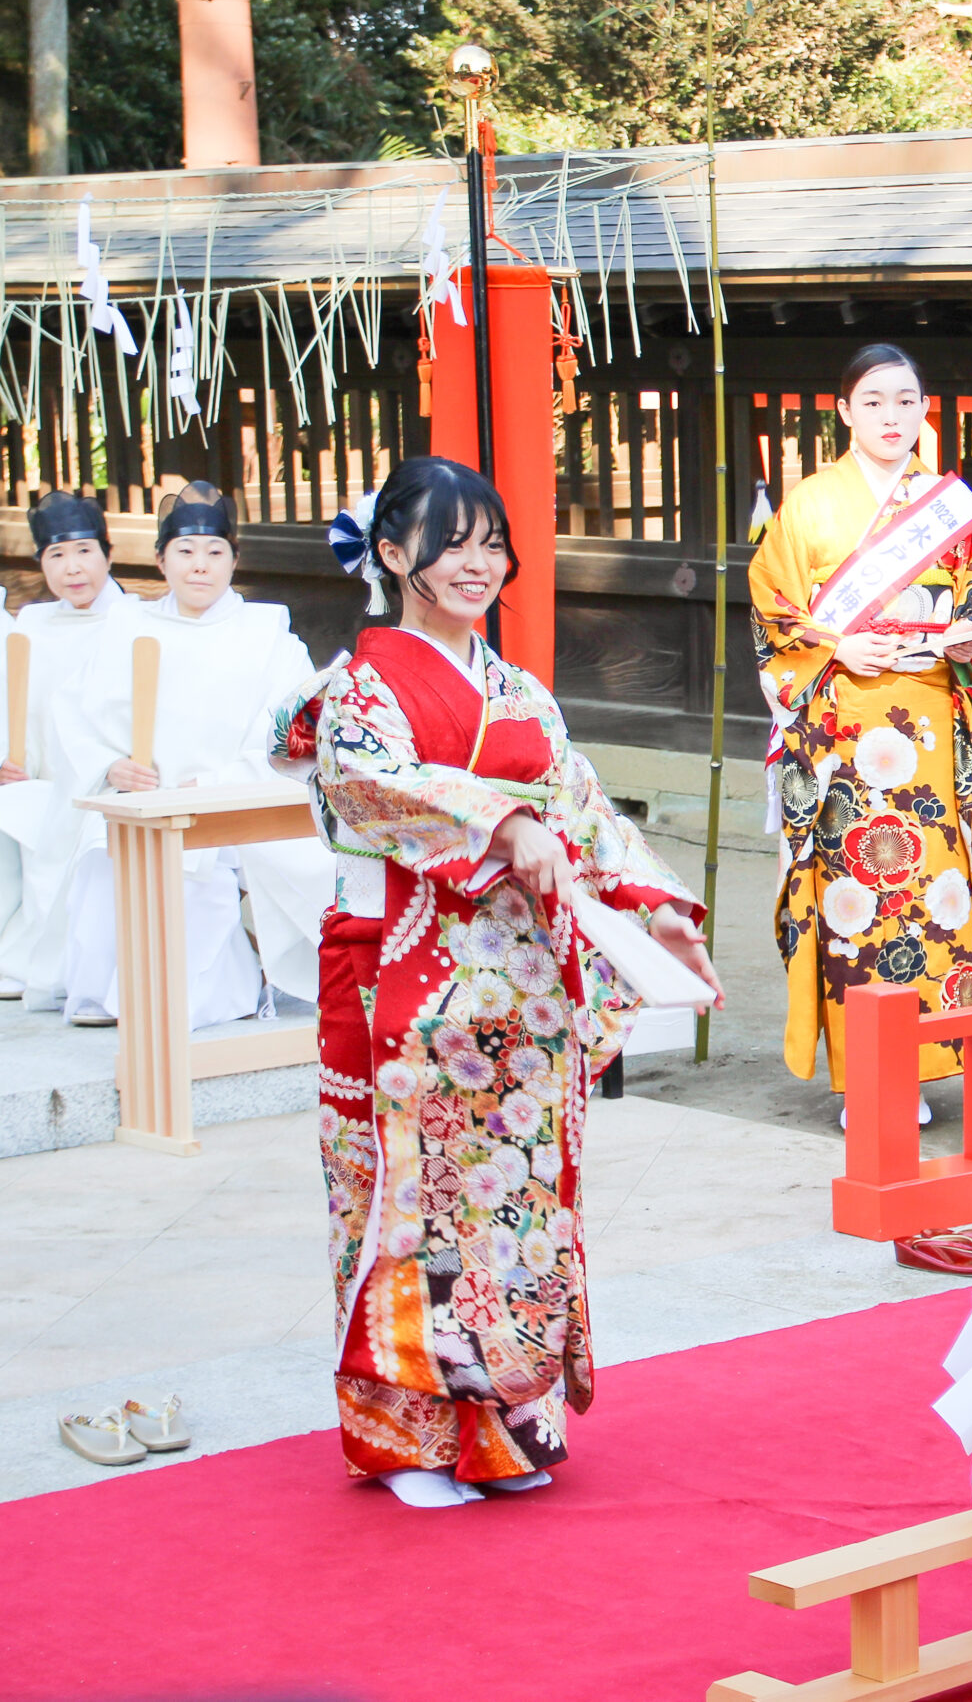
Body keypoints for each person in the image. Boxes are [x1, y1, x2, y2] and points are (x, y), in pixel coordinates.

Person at [274, 456, 718, 1508]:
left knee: (514, 1200)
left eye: (492, 544)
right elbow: (369, 785)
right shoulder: (359, 688)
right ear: (393, 555)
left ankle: (508, 1427)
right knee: (409, 1208)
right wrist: (503, 819)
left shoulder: (518, 690)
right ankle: (411, 1437)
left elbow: (584, 811)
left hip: (516, 992)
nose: (478, 564)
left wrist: (659, 915)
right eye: (452, 543)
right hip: (404, 979)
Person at [749, 343, 972, 1124]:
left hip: (931, 724)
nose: (892, 416)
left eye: (906, 400)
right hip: (842, 730)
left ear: (923, 408)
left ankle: (931, 1056)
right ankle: (868, 1070)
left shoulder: (949, 503)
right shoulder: (809, 506)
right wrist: (836, 644)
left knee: (934, 893)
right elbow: (773, 609)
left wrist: (971, 636)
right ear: (844, 412)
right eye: (874, 402)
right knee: (855, 894)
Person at [52, 483, 330, 1027]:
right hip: (142, 798)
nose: (199, 566)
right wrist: (110, 765)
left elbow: (289, 737)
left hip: (231, 801)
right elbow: (77, 714)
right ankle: (108, 993)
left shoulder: (267, 635)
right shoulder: (127, 626)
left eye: (214, 551)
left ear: (233, 559)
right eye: (184, 551)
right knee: (97, 847)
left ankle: (192, 997)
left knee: (193, 858)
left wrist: (218, 784)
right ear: (160, 559)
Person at [0, 491, 127, 1006]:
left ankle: (95, 975)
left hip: (108, 782)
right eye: (56, 555)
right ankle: (25, 958)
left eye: (83, 551)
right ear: (41, 564)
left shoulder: (136, 622)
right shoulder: (29, 625)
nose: (72, 569)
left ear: (107, 554)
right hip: (41, 779)